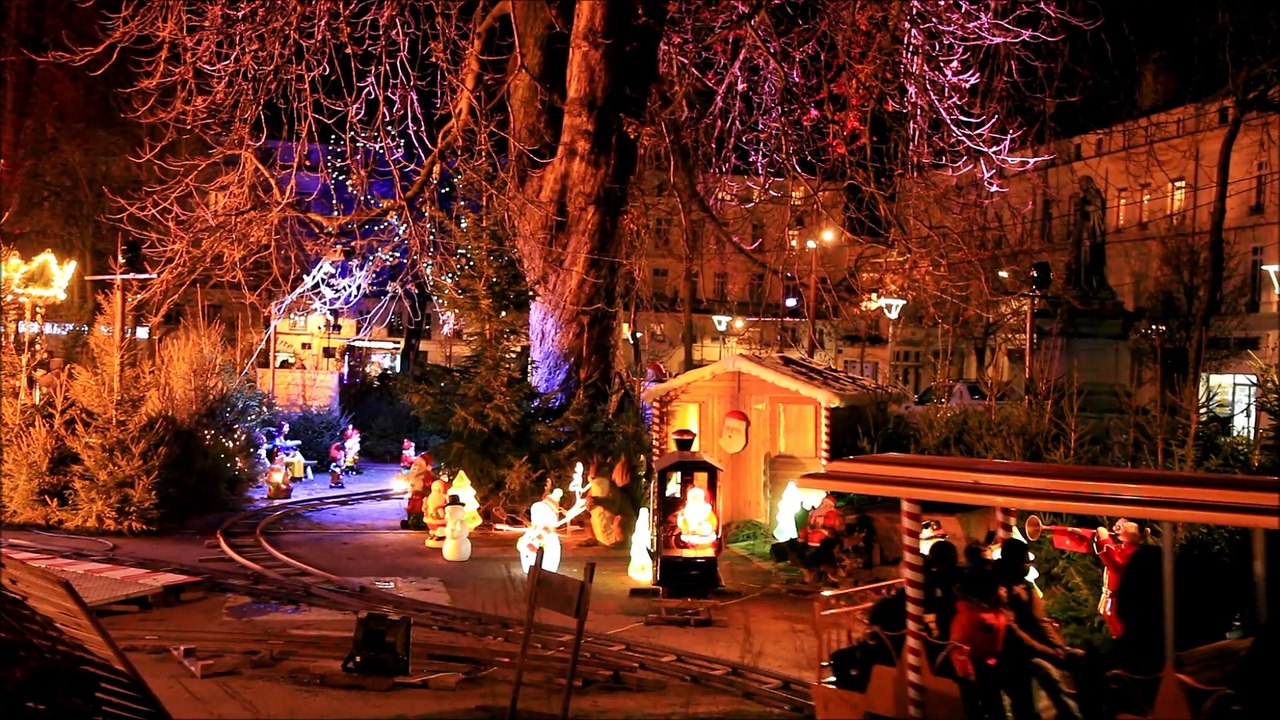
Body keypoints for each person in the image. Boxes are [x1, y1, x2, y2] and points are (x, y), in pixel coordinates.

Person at [995, 538, 1082, 720]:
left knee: (1075, 661)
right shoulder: (1000, 589)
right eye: (1025, 561)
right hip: (1014, 652)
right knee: (1042, 682)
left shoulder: (1024, 586)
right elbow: (1014, 630)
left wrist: (1057, 645)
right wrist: (1047, 649)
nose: (1027, 564)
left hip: (1032, 645)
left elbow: (1040, 620)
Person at [950, 567, 1008, 720]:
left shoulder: (994, 610)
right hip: (976, 669)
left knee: (996, 705)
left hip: (991, 664)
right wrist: (968, 674)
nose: (1003, 589)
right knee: (980, 709)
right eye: (998, 587)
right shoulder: (969, 616)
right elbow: (959, 647)